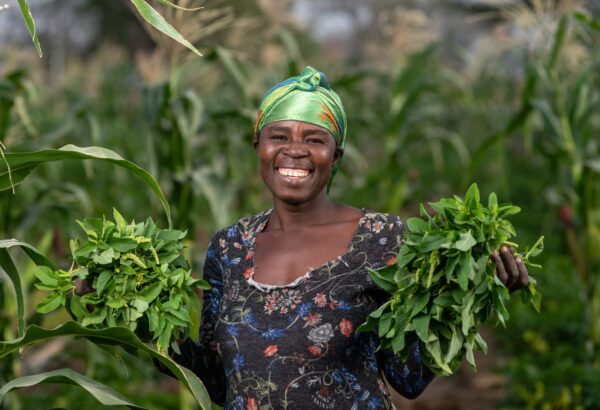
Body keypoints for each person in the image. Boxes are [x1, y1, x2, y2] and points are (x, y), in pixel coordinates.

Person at [163, 67, 529, 409]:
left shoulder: (382, 238)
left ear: (335, 155)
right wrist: (160, 329)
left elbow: (408, 378)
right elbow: (218, 381)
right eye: (278, 136)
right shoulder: (230, 247)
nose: (295, 149)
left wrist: (474, 297)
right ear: (258, 145)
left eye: (315, 139)